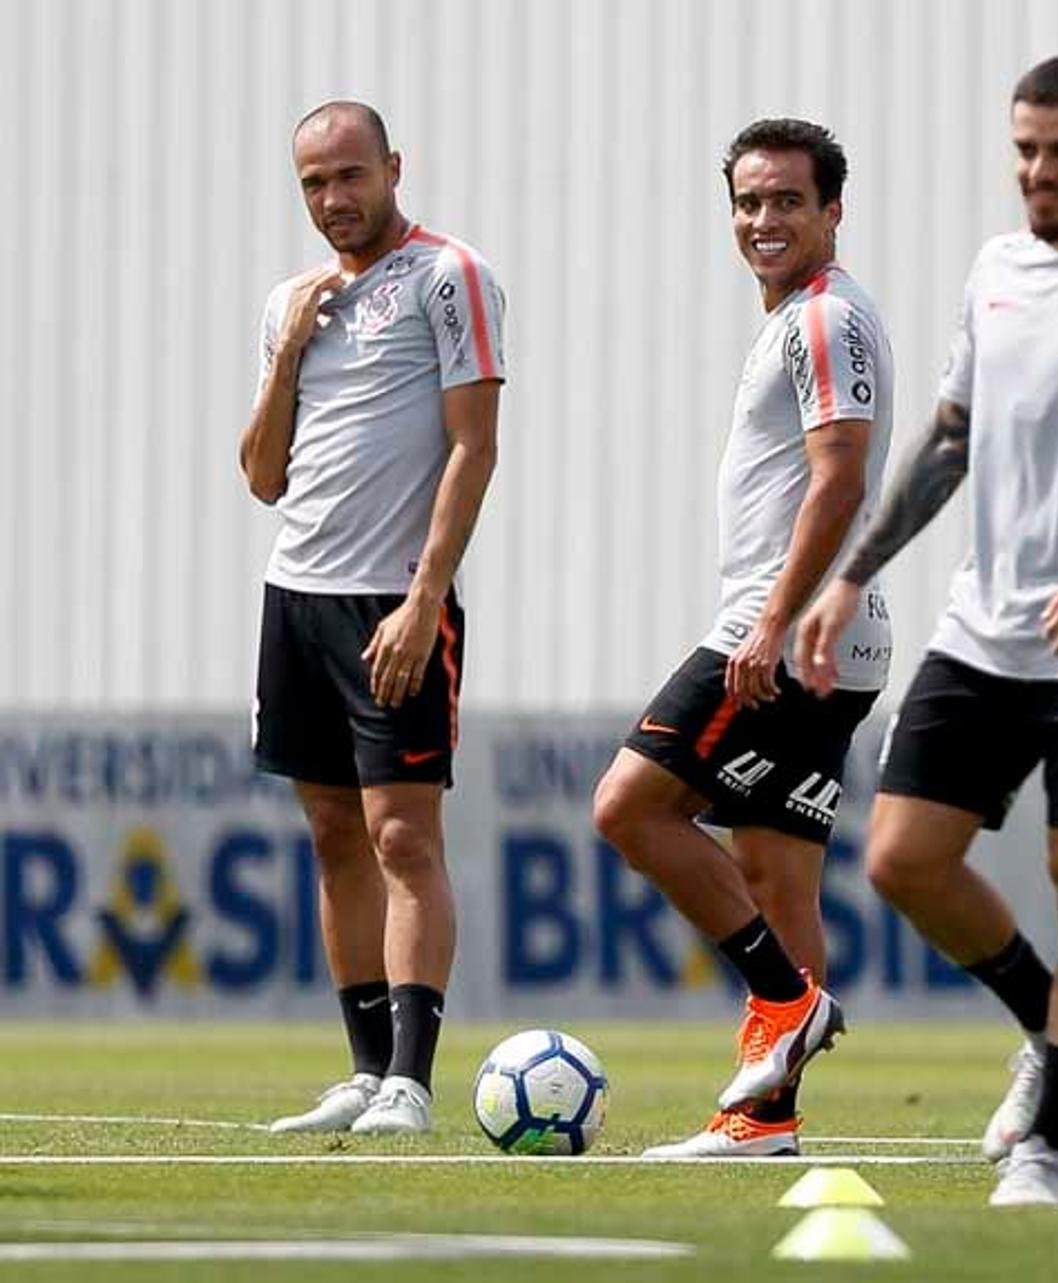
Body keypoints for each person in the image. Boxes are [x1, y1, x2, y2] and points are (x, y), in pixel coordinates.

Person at [796, 55, 1058, 1204]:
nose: (1040, 171)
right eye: (1027, 149)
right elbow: (947, 440)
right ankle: (1050, 1024)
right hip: (981, 633)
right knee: (901, 858)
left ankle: (1043, 1148)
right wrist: (850, 577)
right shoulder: (994, 271)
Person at [593, 118, 894, 1157]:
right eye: (748, 202)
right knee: (776, 875)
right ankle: (766, 1117)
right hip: (824, 632)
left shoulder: (825, 319)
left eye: (786, 202)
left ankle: (784, 997)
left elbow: (842, 473)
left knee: (631, 805)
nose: (764, 220)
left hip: (787, 631)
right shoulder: (802, 318)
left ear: (832, 211)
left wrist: (769, 620)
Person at [241, 101, 505, 1135]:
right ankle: (359, 1068)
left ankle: (411, 1077)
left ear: (394, 167)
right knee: (331, 835)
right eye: (313, 183)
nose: (334, 200)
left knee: (403, 834)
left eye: (351, 176)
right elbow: (263, 477)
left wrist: (426, 593)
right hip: (294, 594)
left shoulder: (451, 277)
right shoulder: (290, 302)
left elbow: (473, 445)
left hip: (393, 599)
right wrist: (287, 354)